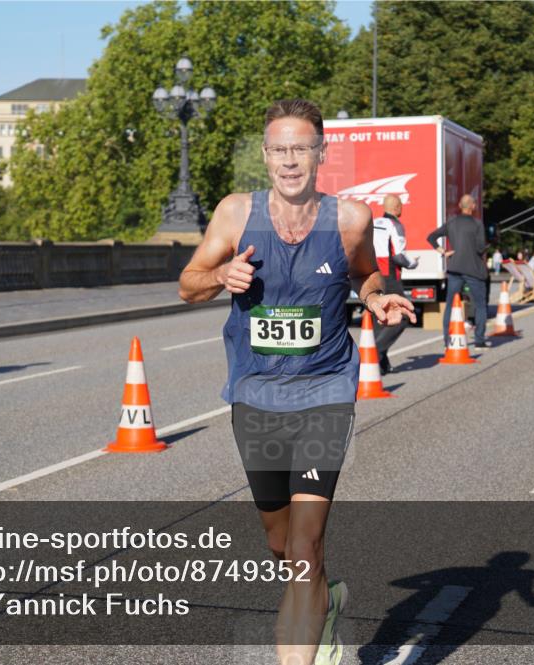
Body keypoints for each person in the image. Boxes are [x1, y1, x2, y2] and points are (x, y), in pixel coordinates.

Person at [178, 99, 414, 665]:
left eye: (301, 149)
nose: (290, 161)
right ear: (265, 155)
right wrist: (219, 275)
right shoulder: (236, 213)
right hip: (255, 396)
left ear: (321, 153)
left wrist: (377, 297)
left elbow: (365, 272)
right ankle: (325, 603)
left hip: (325, 393)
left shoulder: (350, 218)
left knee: (305, 547)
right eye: (279, 149)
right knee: (280, 544)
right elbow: (187, 283)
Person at [428, 194, 490, 350]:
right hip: (474, 269)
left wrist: (444, 252)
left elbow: (431, 237)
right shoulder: (477, 224)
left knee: (450, 304)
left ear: (460, 205)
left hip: (454, 268)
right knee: (480, 304)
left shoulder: (452, 223)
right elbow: (480, 248)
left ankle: (447, 340)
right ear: (473, 206)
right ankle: (479, 340)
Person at [372, 194, 418, 374]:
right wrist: (413, 263)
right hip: (389, 275)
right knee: (403, 315)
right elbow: (399, 256)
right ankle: (375, 353)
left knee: (380, 317)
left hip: (372, 275)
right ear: (397, 207)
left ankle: (381, 365)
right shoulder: (395, 225)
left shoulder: (373, 222)